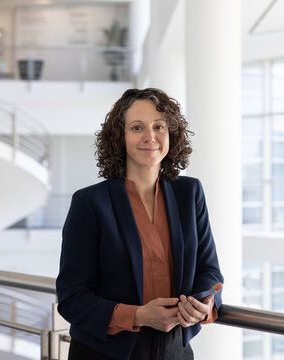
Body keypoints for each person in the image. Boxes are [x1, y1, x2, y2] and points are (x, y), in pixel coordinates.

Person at [56, 88, 224, 360]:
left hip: (174, 352)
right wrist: (139, 315)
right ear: (119, 138)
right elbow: (71, 298)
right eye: (137, 127)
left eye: (159, 126)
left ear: (171, 134)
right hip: (103, 353)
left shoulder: (190, 193)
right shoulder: (89, 202)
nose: (150, 136)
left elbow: (211, 273)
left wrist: (204, 305)